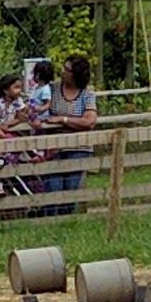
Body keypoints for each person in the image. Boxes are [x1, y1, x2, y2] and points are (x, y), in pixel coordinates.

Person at [38, 54, 99, 215]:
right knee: (53, 186)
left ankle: (65, 221)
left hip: (79, 147)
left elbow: (89, 121)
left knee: (71, 188)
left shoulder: (87, 94)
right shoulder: (52, 90)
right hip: (53, 146)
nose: (62, 72)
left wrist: (63, 120)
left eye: (67, 69)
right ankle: (47, 220)